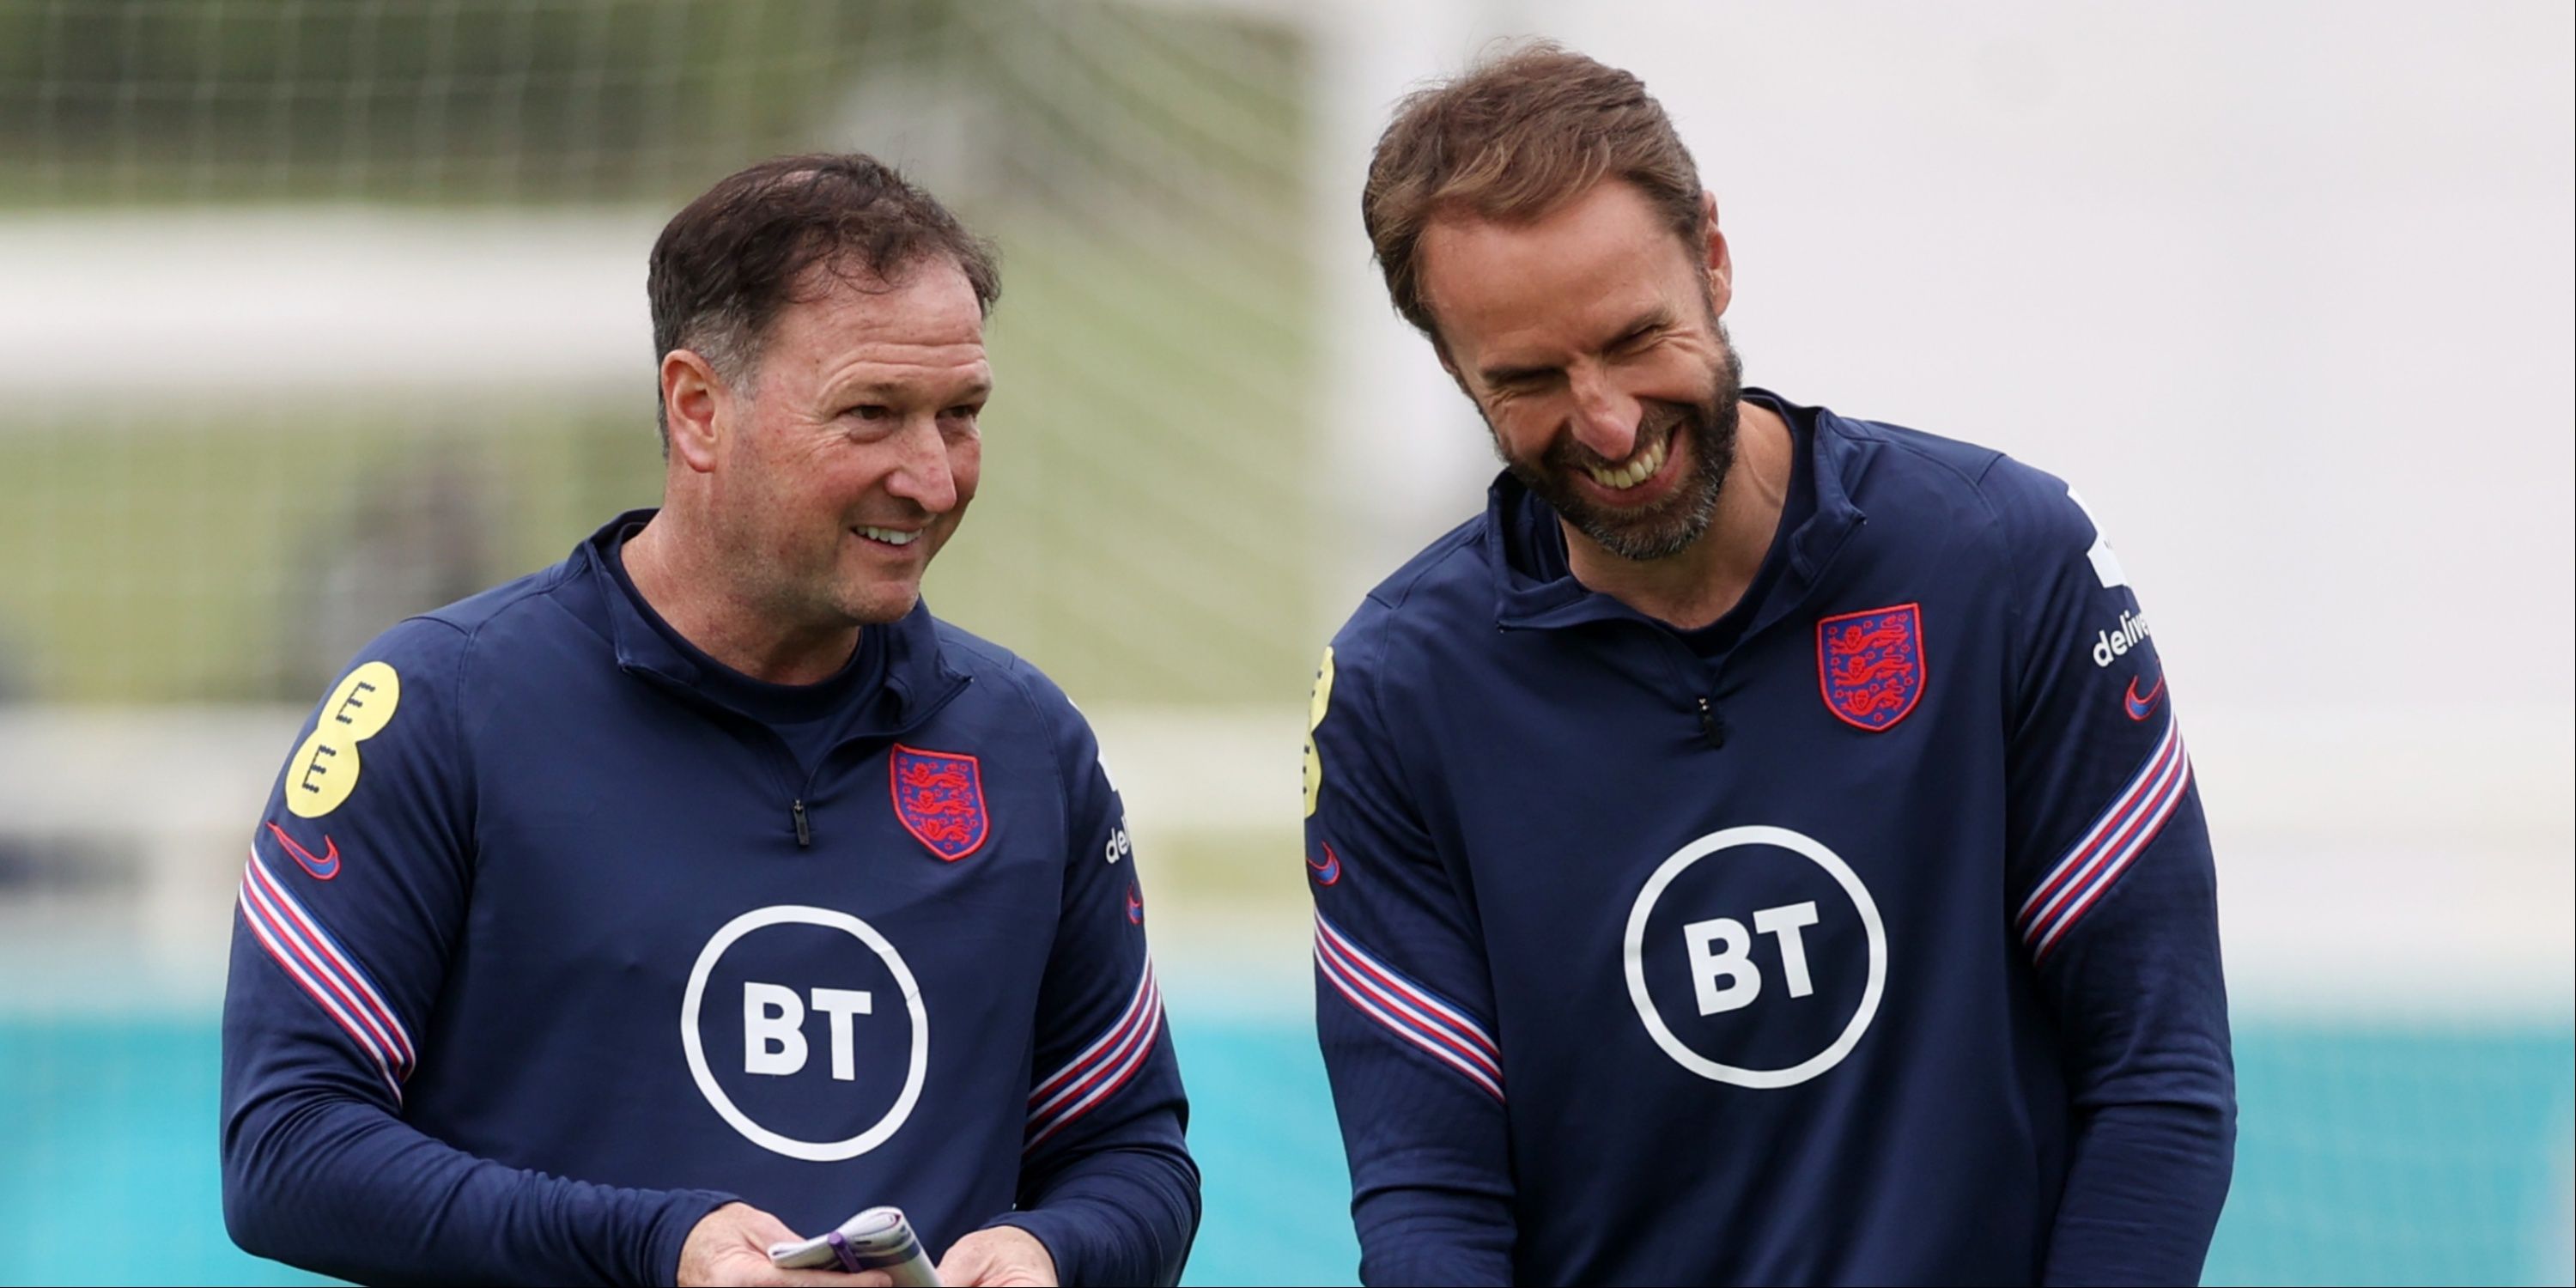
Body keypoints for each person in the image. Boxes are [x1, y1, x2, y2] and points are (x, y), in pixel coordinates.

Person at [1303, 44, 2233, 1285]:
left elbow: (2157, 1078)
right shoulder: (1395, 696)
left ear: (1716, 258)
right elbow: (1430, 1200)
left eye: (1638, 338)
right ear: (1454, 368)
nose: (1611, 424)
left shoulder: (1999, 561)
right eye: (1527, 378)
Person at [221, 155, 1198, 1288]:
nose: (932, 479)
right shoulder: (440, 710)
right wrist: (655, 1248)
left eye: (961, 415)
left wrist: (1048, 1252)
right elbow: (286, 1148)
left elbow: (1131, 1157)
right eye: (871, 415)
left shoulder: (1027, 747)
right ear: (698, 409)